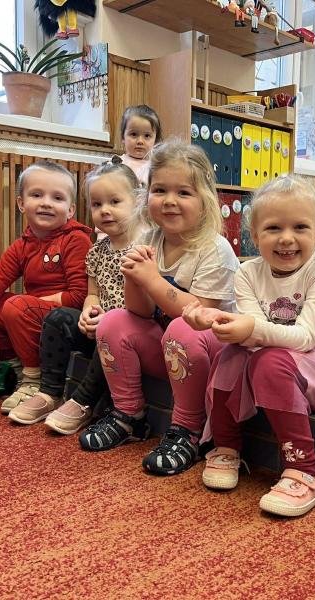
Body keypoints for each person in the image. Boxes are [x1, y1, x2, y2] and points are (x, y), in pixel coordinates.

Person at [192, 175, 315, 517]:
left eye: (300, 227)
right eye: (273, 228)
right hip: (275, 365)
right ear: (255, 234)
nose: (287, 238)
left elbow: (304, 338)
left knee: (269, 361)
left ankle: (306, 470)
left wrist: (249, 328)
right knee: (230, 354)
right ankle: (226, 447)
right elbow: (252, 335)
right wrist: (214, 320)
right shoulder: (247, 273)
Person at [79, 140, 239, 477]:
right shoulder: (148, 240)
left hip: (212, 356)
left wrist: (151, 279)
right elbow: (138, 312)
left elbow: (201, 316)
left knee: (183, 328)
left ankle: (188, 429)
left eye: (184, 192)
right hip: (170, 350)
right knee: (113, 321)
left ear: (205, 199)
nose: (169, 200)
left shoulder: (215, 249)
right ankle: (129, 415)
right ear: (146, 195)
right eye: (160, 190)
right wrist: (135, 279)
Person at [8, 160, 141, 428]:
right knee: (57, 318)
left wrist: (108, 321)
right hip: (96, 328)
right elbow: (92, 293)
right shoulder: (96, 251)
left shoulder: (146, 246)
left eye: (115, 202)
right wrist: (89, 311)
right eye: (96, 204)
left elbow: (146, 305)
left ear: (137, 202)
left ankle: (83, 401)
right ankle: (49, 392)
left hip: (128, 334)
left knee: (111, 331)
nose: (105, 210)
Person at [0, 160, 92, 414]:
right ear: (21, 203)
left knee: (15, 305)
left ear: (70, 210)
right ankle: (16, 367)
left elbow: (80, 296)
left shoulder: (76, 240)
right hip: (34, 315)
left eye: (57, 198)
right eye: (37, 195)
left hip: (67, 321)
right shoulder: (23, 246)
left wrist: (30, 303)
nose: (46, 203)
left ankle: (33, 379)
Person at [117, 104, 162, 186]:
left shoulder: (157, 167)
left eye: (147, 136)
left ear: (156, 141)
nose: (140, 141)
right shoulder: (116, 164)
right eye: (134, 134)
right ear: (123, 137)